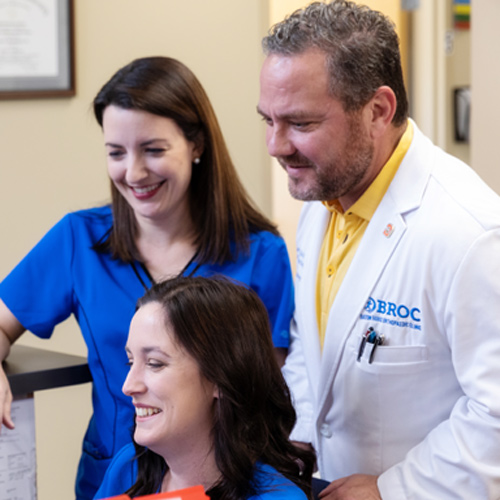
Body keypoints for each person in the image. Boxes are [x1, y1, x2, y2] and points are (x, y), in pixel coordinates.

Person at [0, 56, 294, 500]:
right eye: (116, 153)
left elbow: (259, 391)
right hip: (114, 477)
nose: (133, 173)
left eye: (153, 150)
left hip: (223, 483)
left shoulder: (260, 254)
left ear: (196, 145)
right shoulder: (79, 240)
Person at [257, 1, 500, 499]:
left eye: (300, 123)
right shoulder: (321, 203)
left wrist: (398, 489)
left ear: (378, 110)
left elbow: (495, 411)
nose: (276, 146)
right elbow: (313, 350)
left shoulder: (469, 233)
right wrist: (297, 443)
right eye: (269, 120)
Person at [94, 276, 315, 500]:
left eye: (154, 364)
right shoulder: (129, 468)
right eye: (130, 362)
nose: (128, 386)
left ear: (222, 378)